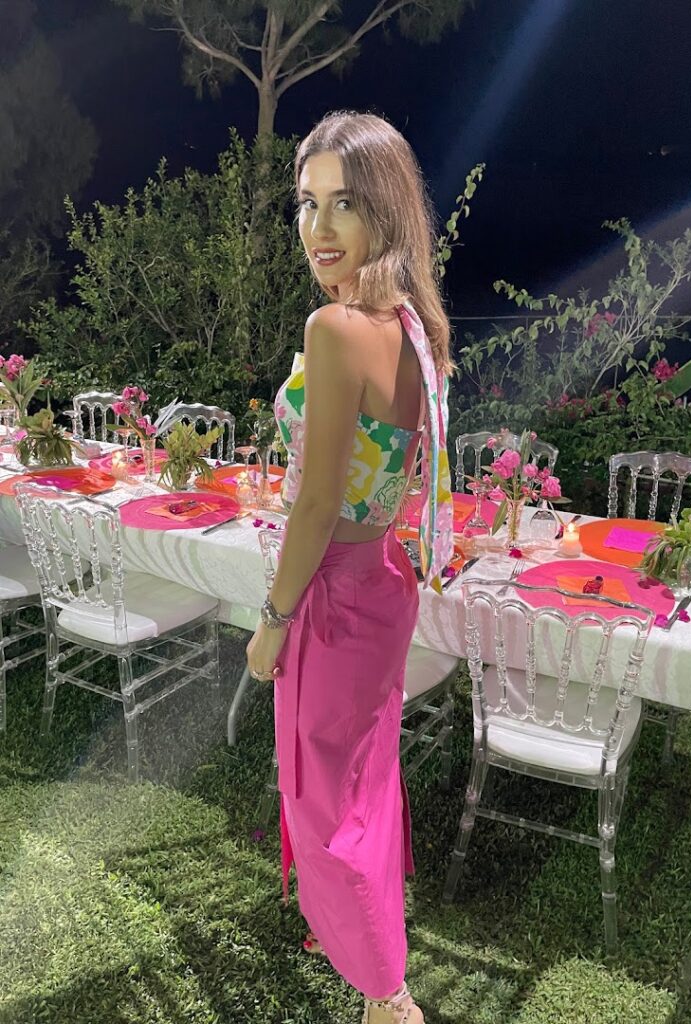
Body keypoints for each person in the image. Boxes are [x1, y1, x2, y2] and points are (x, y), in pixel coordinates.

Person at [246, 110, 454, 1024]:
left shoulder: (335, 328)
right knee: (364, 784)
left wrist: (272, 620)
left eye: (342, 205)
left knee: (328, 803)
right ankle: (368, 954)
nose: (317, 230)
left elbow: (320, 505)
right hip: (382, 586)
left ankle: (386, 995)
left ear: (386, 212)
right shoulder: (413, 327)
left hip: (331, 596)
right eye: (305, 204)